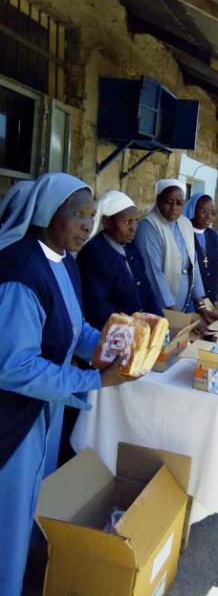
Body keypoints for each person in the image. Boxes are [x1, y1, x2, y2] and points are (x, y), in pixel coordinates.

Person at [0, 172, 131, 596]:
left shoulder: (61, 261)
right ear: (46, 213)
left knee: (31, 507)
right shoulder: (21, 269)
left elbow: (75, 331)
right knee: (9, 517)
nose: (86, 226)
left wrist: (117, 345)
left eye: (92, 216)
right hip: (14, 418)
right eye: (78, 214)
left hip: (44, 410)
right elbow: (13, 365)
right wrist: (93, 378)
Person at [77, 189, 161, 330]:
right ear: (107, 221)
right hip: (115, 336)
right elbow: (98, 307)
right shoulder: (94, 254)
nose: (133, 228)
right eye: (127, 222)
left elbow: (146, 291)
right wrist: (132, 329)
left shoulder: (131, 249)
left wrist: (159, 322)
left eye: (136, 221)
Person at [134, 179, 214, 321]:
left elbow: (192, 264)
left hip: (181, 309)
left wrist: (201, 305)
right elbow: (153, 274)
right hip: (159, 312)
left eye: (179, 203)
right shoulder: (148, 226)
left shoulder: (185, 223)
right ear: (158, 200)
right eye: (169, 202)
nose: (174, 208)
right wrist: (176, 316)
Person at [183, 192, 218, 307]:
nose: (209, 216)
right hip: (189, 299)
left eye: (213, 212)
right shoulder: (183, 233)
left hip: (210, 297)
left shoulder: (214, 236)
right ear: (192, 210)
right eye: (203, 211)